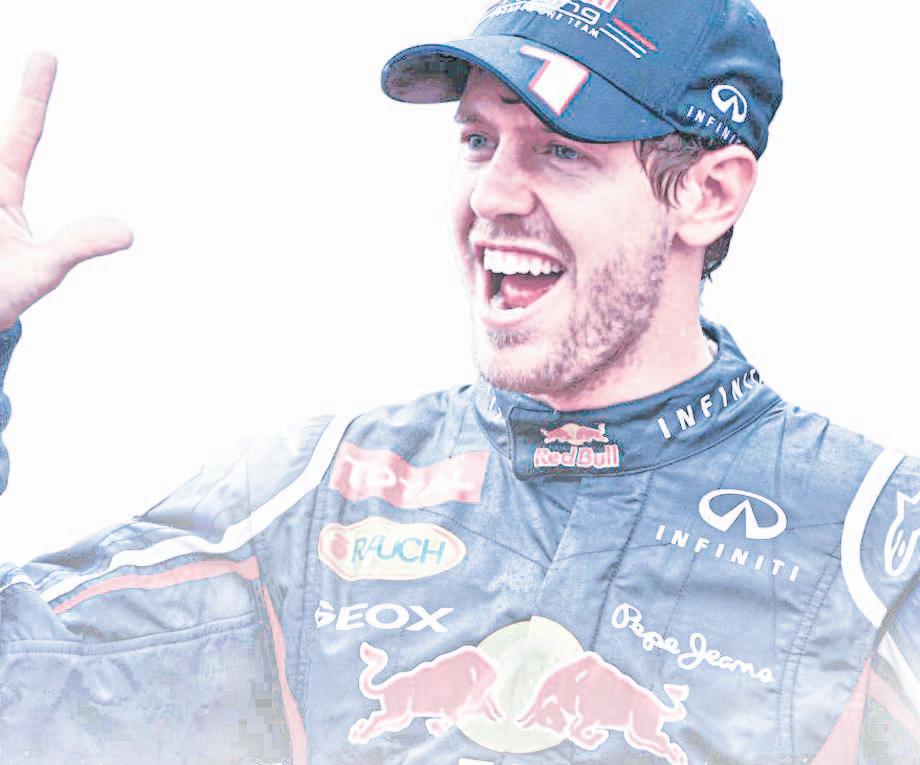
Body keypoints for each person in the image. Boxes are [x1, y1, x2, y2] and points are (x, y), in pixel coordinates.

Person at [0, 0, 917, 763]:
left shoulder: (878, 545)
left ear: (707, 193)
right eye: (479, 140)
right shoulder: (315, 499)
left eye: (561, 150)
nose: (491, 196)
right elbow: (21, 678)